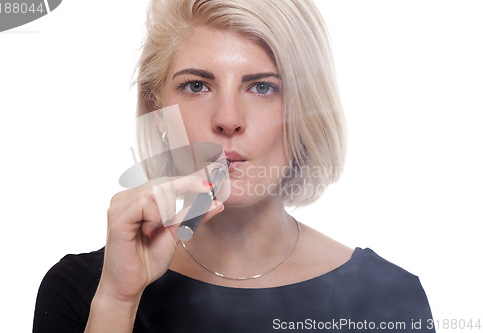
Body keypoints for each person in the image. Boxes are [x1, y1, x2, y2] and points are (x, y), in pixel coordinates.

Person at [33, 0, 435, 332]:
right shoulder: (83, 290)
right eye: (197, 86)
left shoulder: (387, 300)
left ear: (305, 112)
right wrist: (117, 302)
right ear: (159, 113)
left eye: (263, 87)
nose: (228, 118)